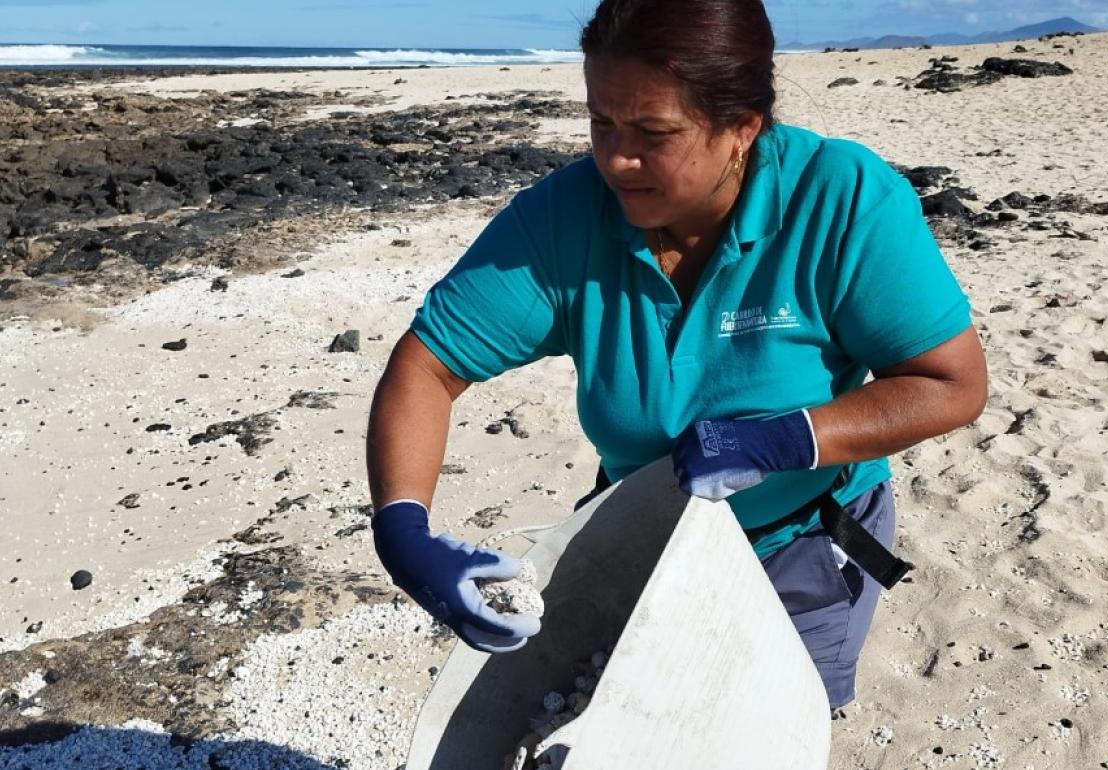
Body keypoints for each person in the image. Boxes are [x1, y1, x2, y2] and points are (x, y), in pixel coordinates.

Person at [367, 0, 988, 711]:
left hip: (805, 537)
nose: (615, 159)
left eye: (653, 133)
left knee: (771, 724)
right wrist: (402, 528)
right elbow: (428, 365)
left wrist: (791, 436)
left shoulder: (840, 200)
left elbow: (951, 384)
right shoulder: (563, 219)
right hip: (642, 532)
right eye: (601, 123)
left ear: (741, 129)